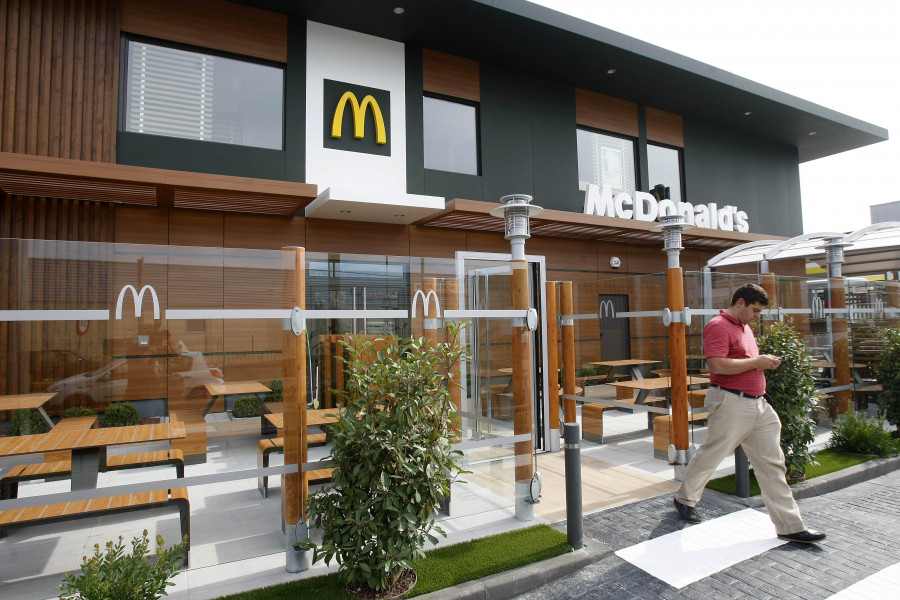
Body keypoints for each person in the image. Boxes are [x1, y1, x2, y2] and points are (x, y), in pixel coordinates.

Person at [672, 283, 826, 544]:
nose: (758, 316)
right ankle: (684, 499)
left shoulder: (745, 328)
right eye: (755, 310)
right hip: (732, 402)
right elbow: (717, 365)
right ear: (740, 303)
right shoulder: (718, 326)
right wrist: (757, 362)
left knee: (773, 464)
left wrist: (765, 363)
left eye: (760, 312)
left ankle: (790, 526)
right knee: (713, 453)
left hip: (758, 405)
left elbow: (745, 363)